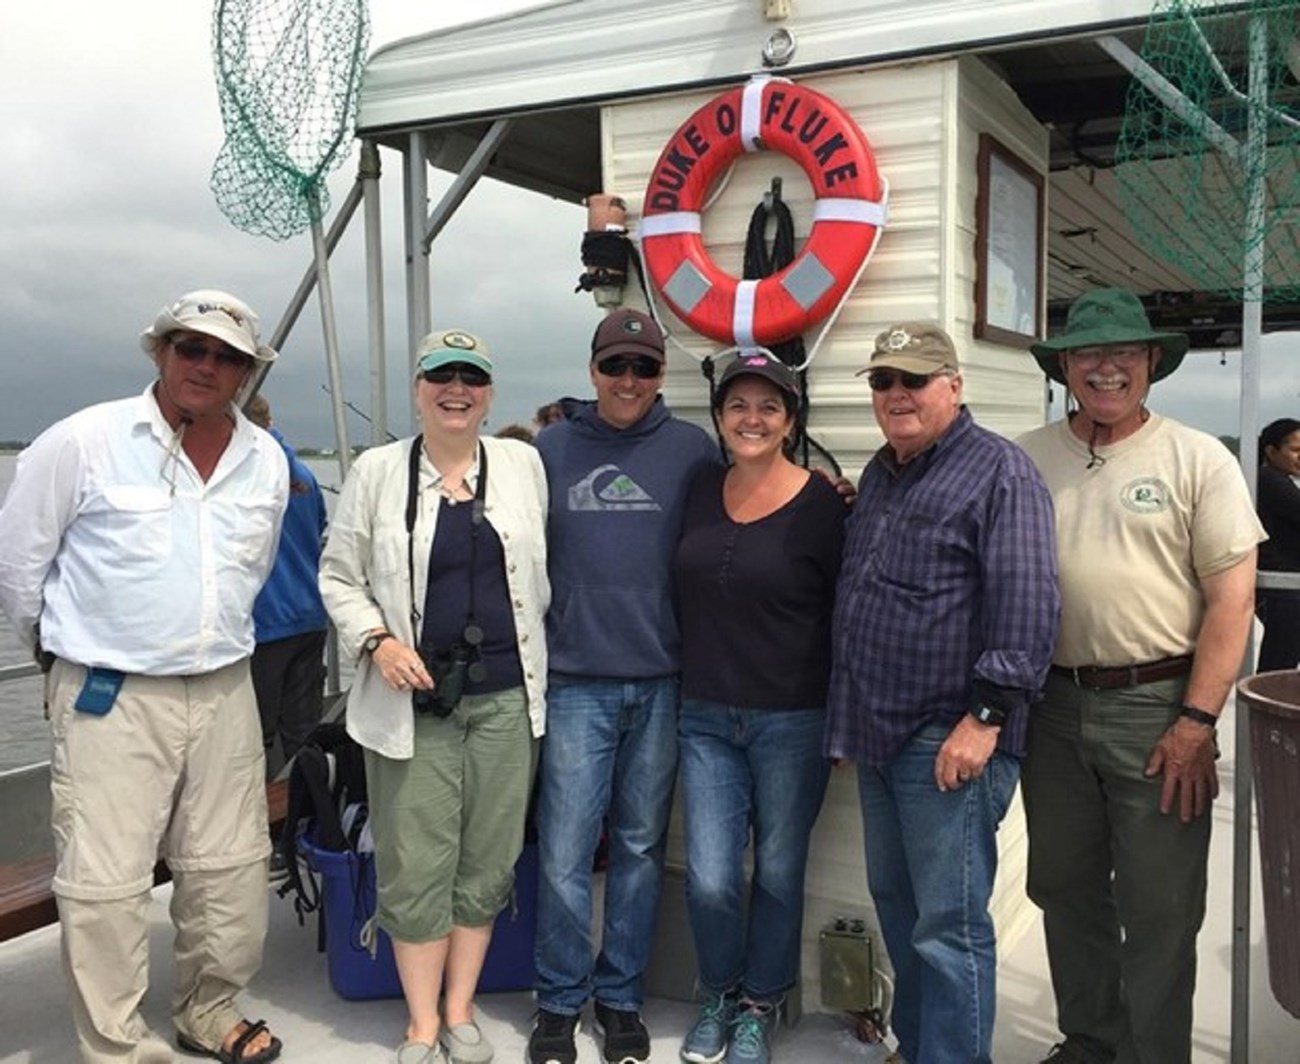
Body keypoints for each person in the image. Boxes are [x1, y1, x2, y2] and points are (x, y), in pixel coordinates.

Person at [0, 290, 289, 1064]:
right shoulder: (82, 441)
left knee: (231, 866)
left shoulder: (265, 459)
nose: (206, 365)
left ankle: (209, 1008)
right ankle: (119, 1046)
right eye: (190, 347)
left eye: (226, 355)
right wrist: (63, 658)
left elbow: (250, 573)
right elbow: (20, 570)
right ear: (160, 351)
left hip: (225, 684)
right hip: (109, 692)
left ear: (246, 372)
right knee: (104, 884)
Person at [1017, 288, 1263, 1064]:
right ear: (1064, 368)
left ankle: (1157, 1054)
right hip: (1051, 706)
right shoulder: (1024, 458)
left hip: (1161, 708)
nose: (1107, 367)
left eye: (1125, 352)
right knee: (1063, 887)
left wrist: (1197, 722)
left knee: (1160, 908)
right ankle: (1091, 1041)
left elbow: (1233, 600)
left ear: (1152, 360)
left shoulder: (1199, 458)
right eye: (1088, 353)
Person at [825, 323, 1060, 1064]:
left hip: (949, 738)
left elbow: (1028, 605)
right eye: (883, 381)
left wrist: (984, 718)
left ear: (954, 388)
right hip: (878, 733)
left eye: (915, 380)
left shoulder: (1001, 472)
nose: (897, 394)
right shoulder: (883, 472)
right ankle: (921, 1047)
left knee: (950, 929)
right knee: (899, 908)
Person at [319, 328, 549, 1064]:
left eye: (472, 378)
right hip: (410, 709)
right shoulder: (378, 472)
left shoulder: (522, 464)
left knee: (486, 863)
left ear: (489, 393)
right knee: (416, 863)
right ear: (418, 390)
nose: (457, 389)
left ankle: (460, 1007)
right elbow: (337, 576)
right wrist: (378, 642)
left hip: (507, 703)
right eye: (441, 376)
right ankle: (421, 1023)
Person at [529, 308, 719, 1064]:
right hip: (575, 681)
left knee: (640, 849)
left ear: (659, 375)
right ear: (592, 370)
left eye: (643, 367)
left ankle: (620, 997)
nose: (629, 381)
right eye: (616, 366)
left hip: (663, 682)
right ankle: (557, 999)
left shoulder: (692, 451)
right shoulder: (549, 450)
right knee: (566, 851)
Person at [673, 353, 845, 1064]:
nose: (752, 418)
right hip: (705, 714)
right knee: (712, 875)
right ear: (718, 418)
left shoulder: (826, 505)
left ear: (790, 421)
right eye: (738, 405)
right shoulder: (697, 488)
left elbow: (847, 613)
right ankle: (717, 989)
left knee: (778, 870)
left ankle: (757, 1005)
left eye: (768, 407)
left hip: (793, 719)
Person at [245, 393, 330, 778]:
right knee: (303, 733)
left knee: (252, 737)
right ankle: (307, 817)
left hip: (264, 624)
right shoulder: (306, 477)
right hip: (310, 617)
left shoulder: (246, 473)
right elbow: (320, 531)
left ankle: (260, 824)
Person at [1255, 417, 1300, 672]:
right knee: (1278, 669)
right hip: (1281, 588)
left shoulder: (1272, 479)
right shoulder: (1270, 481)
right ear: (1271, 452)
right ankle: (1267, 710)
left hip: (1283, 586)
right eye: (1295, 451)